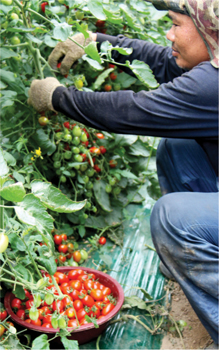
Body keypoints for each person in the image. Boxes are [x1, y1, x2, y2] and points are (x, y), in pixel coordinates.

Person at [28, 0, 218, 347]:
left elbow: (134, 110)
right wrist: (95, 41)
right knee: (178, 150)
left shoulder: (214, 85)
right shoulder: (211, 60)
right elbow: (160, 60)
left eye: (176, 24)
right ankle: (201, 271)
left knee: (173, 219)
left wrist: (58, 98)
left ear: (209, 31)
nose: (169, 33)